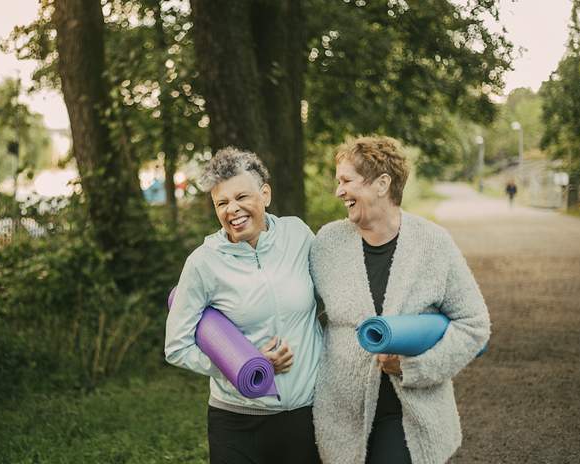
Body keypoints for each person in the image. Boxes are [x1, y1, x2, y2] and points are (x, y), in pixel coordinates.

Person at [309, 136, 490, 464]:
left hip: (410, 415)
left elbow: (474, 325)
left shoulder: (433, 244)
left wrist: (414, 367)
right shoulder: (327, 243)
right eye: (338, 182)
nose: (339, 192)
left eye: (347, 181)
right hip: (342, 415)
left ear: (381, 184)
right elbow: (298, 308)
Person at [165, 147, 323, 464]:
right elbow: (176, 346)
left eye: (241, 197)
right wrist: (242, 367)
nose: (232, 210)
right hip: (237, 421)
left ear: (265, 194)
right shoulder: (203, 263)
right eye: (221, 203)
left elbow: (331, 302)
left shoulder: (298, 235)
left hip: (305, 414)